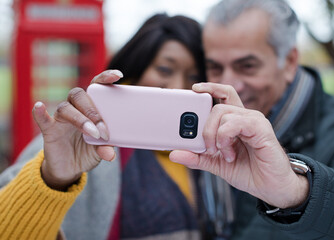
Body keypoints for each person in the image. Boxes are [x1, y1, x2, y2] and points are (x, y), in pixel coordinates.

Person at [0, 13, 207, 240]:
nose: (179, 87)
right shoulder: (82, 138)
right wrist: (53, 178)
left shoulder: (211, 147)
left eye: (194, 75)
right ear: (135, 68)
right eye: (165, 70)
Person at [170, 0, 334, 239]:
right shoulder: (201, 119)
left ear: (290, 62)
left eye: (247, 66)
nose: (229, 84)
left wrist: (295, 191)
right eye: (215, 67)